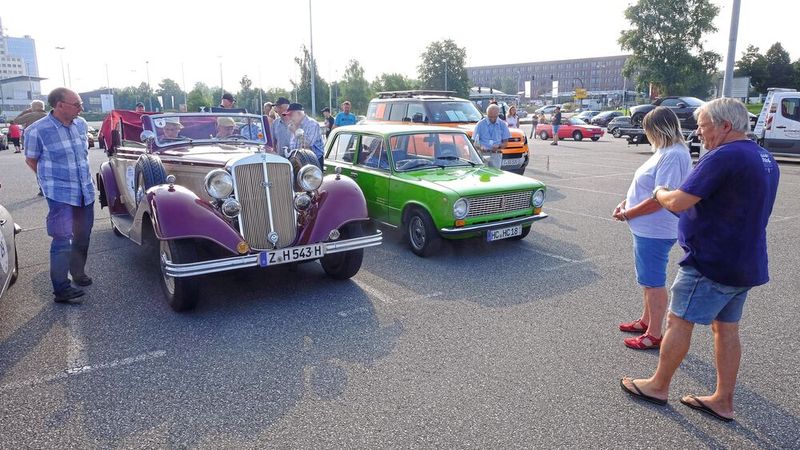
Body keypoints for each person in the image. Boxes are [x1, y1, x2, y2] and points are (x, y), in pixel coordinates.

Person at [621, 98, 780, 422]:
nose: (700, 133)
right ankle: (723, 400)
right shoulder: (764, 157)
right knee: (726, 329)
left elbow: (678, 201)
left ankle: (658, 385)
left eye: (704, 126)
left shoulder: (724, 156)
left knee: (678, 321)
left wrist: (659, 192)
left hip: (712, 260)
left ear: (724, 126)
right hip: (745, 260)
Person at [612, 107, 692, 350]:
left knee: (653, 281)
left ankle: (654, 333)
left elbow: (661, 198)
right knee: (647, 280)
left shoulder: (674, 155)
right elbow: (647, 187)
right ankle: (646, 321)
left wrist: (628, 213)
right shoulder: (665, 151)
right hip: (646, 228)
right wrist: (625, 202)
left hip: (655, 230)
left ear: (657, 129)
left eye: (647, 130)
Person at [24, 88, 96, 304]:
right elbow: (31, 160)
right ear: (59, 105)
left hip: (85, 191)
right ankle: (61, 289)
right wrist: (51, 180)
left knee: (83, 236)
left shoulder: (81, 124)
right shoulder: (37, 130)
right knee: (62, 239)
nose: (81, 108)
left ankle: (78, 272)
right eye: (77, 104)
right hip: (60, 194)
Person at [286, 103, 325, 168]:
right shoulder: (294, 125)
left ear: (299, 113)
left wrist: (296, 131)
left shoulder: (312, 124)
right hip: (297, 160)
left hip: (312, 161)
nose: (289, 118)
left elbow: (307, 145)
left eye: (291, 115)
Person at [472, 104, 510, 169]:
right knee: (482, 175)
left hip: (496, 154)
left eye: (495, 117)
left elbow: (505, 143)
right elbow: (474, 142)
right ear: (487, 114)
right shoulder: (480, 124)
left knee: (495, 176)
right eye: (490, 116)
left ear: (498, 114)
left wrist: (499, 146)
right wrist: (480, 147)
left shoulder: (503, 125)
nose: (492, 119)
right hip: (483, 154)